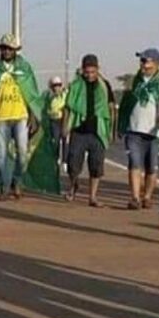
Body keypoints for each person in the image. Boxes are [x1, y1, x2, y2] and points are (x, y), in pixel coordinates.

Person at [0, 34, 43, 200]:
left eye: (10, 48)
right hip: (1, 117)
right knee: (1, 155)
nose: (6, 51)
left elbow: (32, 94)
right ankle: (4, 188)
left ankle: (17, 180)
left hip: (20, 116)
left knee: (22, 154)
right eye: (4, 48)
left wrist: (34, 116)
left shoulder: (25, 68)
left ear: (15, 50)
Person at [118, 48, 159, 210]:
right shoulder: (135, 81)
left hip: (153, 132)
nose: (142, 64)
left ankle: (147, 196)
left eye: (145, 61)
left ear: (156, 64)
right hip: (134, 130)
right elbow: (126, 105)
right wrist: (121, 125)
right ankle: (134, 197)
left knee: (151, 167)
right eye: (141, 61)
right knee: (134, 163)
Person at [63, 54, 117, 206]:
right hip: (79, 131)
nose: (90, 75)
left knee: (96, 166)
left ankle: (92, 197)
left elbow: (111, 108)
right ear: (82, 70)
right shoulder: (75, 85)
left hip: (98, 132)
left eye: (93, 72)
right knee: (73, 164)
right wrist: (65, 127)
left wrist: (112, 130)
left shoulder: (104, 86)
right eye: (87, 72)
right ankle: (73, 185)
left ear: (98, 70)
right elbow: (68, 107)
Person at [44, 77, 68, 169]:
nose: (56, 88)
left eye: (58, 85)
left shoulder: (65, 94)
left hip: (64, 119)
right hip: (54, 120)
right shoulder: (49, 97)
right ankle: (56, 158)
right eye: (54, 86)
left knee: (65, 140)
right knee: (56, 140)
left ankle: (65, 160)